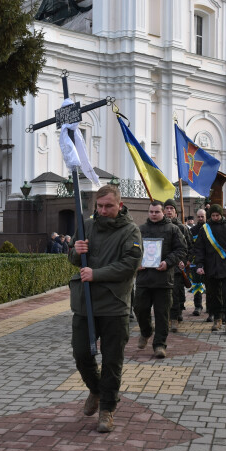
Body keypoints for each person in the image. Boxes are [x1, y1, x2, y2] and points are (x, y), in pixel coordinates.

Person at [68, 185, 142, 433]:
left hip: (114, 304)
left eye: (108, 206)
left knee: (112, 361)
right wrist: (75, 253)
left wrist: (96, 274)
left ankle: (107, 409)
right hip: (84, 303)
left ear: (119, 205)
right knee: (81, 355)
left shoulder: (130, 230)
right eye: (99, 206)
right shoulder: (87, 225)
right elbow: (75, 259)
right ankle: (96, 390)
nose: (103, 210)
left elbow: (129, 265)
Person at [135, 201, 186, 359]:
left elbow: (182, 249)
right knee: (139, 309)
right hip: (143, 279)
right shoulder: (140, 230)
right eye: (151, 212)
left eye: (157, 212)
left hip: (164, 280)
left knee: (162, 314)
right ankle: (146, 331)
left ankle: (159, 345)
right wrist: (137, 262)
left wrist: (168, 262)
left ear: (163, 212)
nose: (153, 214)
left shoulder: (173, 229)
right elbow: (132, 249)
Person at [194, 204, 226, 334]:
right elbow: (199, 249)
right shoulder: (205, 229)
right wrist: (199, 265)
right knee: (213, 295)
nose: (215, 218)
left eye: (217, 215)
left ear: (221, 215)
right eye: (213, 215)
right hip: (210, 268)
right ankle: (217, 319)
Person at [163, 199, 191, 331]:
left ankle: (174, 318)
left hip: (177, 267)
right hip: (163, 266)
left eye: (171, 208)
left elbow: (189, 247)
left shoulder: (182, 228)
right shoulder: (161, 227)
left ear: (176, 212)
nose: (169, 211)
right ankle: (169, 315)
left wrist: (185, 262)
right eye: (166, 208)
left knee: (176, 293)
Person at [189, 208, 207, 319]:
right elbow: (190, 246)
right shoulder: (193, 230)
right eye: (198, 216)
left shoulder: (210, 228)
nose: (200, 218)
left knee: (210, 285)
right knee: (197, 285)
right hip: (195, 261)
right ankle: (198, 306)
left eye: (202, 216)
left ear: (206, 216)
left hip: (209, 261)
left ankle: (210, 307)